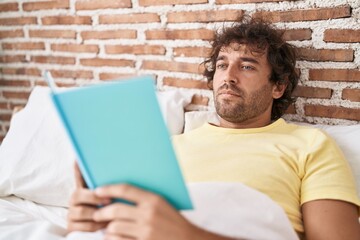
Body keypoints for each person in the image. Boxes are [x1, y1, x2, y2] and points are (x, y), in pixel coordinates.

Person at [67, 15, 360, 240]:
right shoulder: (170, 147)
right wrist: (92, 222)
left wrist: (186, 234)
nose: (228, 77)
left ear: (278, 87)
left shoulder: (310, 145)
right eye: (222, 65)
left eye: (246, 66)